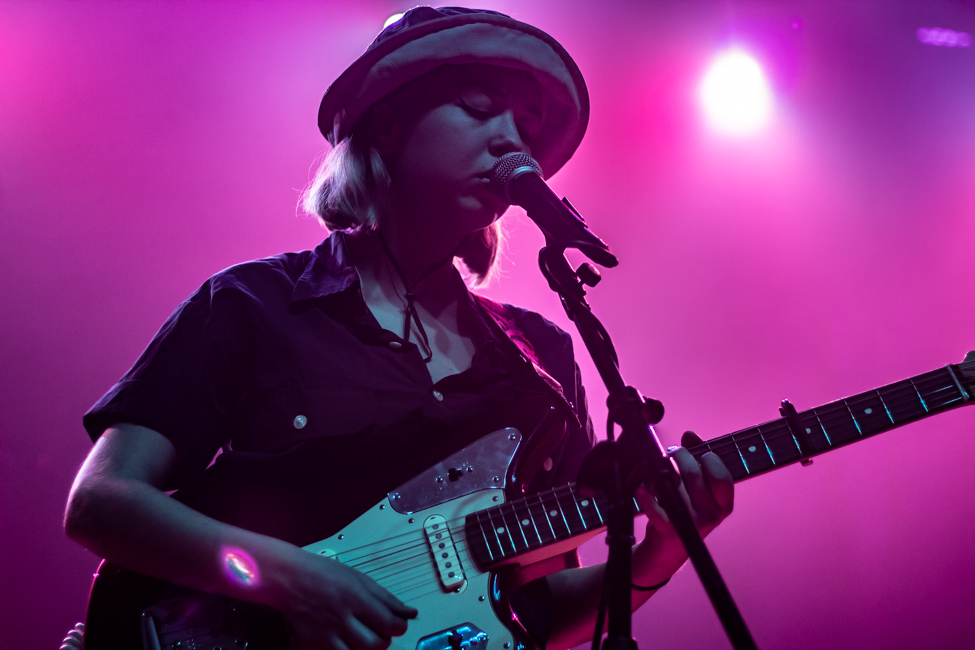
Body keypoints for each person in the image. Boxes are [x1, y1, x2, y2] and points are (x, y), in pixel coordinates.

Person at [65, 6, 734, 650]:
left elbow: (533, 614)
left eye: (526, 129)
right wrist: (289, 580)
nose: (511, 141)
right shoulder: (252, 304)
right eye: (477, 108)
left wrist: (657, 556)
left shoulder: (543, 362)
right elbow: (101, 501)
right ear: (385, 124)